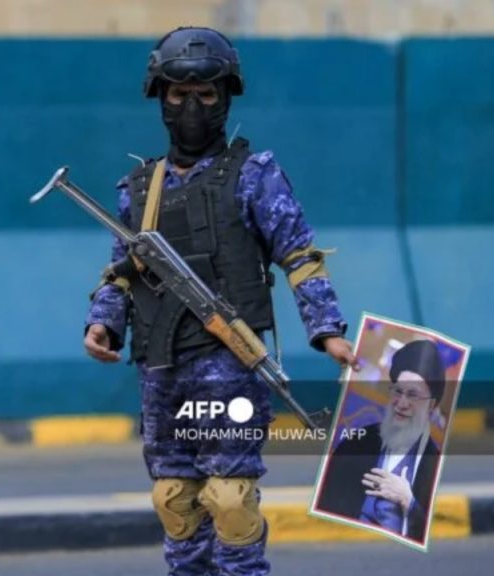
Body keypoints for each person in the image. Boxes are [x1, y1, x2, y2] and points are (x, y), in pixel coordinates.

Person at [83, 27, 357, 576]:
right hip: (161, 366)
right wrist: (103, 325)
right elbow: (121, 272)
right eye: (179, 94)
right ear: (160, 98)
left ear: (226, 97)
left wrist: (327, 330)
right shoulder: (139, 188)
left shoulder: (254, 177)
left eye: (206, 94)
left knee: (230, 500)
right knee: (174, 500)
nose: (191, 107)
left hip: (229, 364)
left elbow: (299, 255)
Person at [315, 339, 445, 542]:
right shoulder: (354, 445)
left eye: (413, 395)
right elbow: (327, 515)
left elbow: (438, 528)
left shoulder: (434, 461)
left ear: (431, 405)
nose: (402, 403)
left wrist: (408, 501)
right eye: (398, 391)